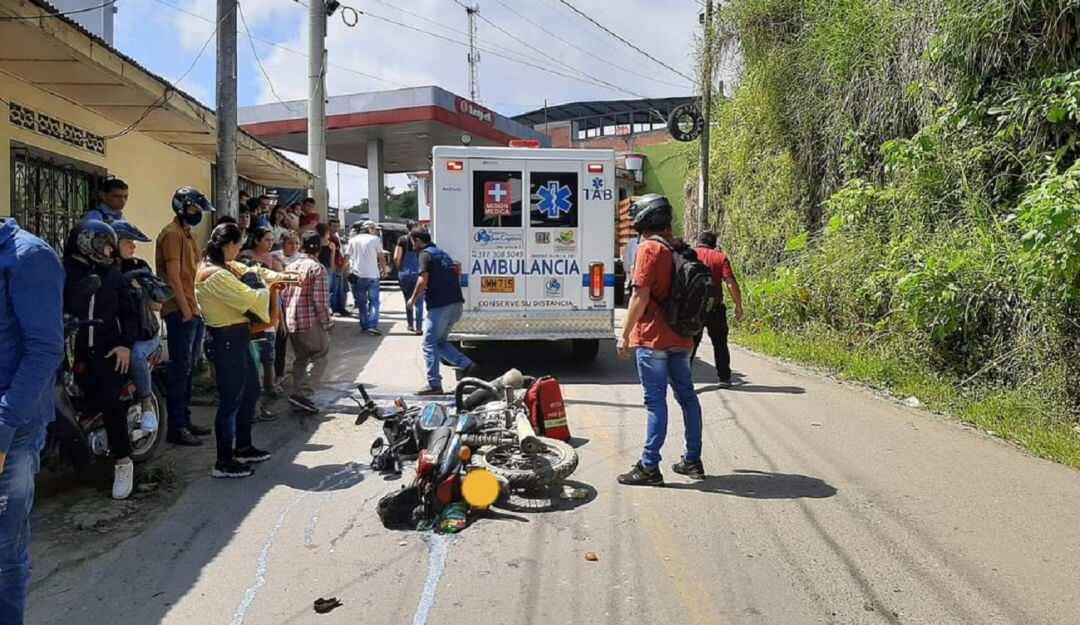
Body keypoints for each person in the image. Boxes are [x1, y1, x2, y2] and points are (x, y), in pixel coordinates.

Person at [0, 217, 64, 625]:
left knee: (3, 555)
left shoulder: (28, 256)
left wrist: (3, 426)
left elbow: (45, 350)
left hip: (12, 431)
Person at [616, 194, 704, 486]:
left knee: (656, 403)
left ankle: (649, 466)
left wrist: (625, 334)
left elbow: (639, 296)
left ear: (643, 219)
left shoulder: (649, 249)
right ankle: (692, 461)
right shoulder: (681, 246)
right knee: (688, 397)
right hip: (683, 336)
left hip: (653, 339)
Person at [195, 223, 291, 478]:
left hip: (236, 338)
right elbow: (252, 298)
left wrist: (274, 277)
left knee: (251, 391)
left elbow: (251, 271)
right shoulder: (216, 274)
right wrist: (264, 287)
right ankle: (224, 461)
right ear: (229, 245)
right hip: (225, 339)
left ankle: (244, 446)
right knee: (230, 401)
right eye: (238, 245)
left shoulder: (223, 267)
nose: (239, 251)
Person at [63, 221, 141, 499]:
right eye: (105, 245)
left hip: (106, 352)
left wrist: (124, 345)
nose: (110, 251)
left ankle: (123, 461)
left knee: (110, 402)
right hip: (67, 351)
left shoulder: (112, 276)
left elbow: (129, 314)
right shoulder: (65, 273)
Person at [156, 187, 215, 447]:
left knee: (188, 369)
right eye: (194, 209)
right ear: (182, 207)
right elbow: (173, 277)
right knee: (180, 370)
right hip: (180, 311)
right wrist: (186, 310)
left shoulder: (186, 233)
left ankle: (185, 420)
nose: (198, 214)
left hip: (192, 308)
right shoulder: (171, 235)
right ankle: (176, 427)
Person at [407, 228, 479, 395]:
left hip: (441, 307)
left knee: (428, 343)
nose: (413, 246)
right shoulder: (441, 253)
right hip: (455, 305)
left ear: (418, 240)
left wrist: (412, 299)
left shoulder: (425, 254)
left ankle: (434, 385)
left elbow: (423, 279)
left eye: (413, 242)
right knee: (439, 343)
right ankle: (468, 365)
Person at [114, 220, 171, 433]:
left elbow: (158, 304)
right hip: (113, 335)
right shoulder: (103, 270)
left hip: (143, 335)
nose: (133, 246)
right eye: (128, 242)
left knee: (136, 354)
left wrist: (142, 288)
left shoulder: (139, 267)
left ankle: (146, 403)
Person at [282, 232, 333, 413]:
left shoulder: (291, 266)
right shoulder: (317, 269)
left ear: (301, 247)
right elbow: (320, 301)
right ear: (319, 248)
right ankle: (303, 394)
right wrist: (327, 322)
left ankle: (297, 392)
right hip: (311, 322)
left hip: (292, 320)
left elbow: (284, 295)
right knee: (320, 355)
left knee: (301, 358)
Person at [691, 232, 744, 387]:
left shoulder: (688, 255)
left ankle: (684, 379)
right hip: (714, 308)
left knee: (690, 345)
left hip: (692, 310)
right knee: (720, 343)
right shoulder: (720, 257)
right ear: (714, 244)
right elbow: (730, 282)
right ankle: (724, 378)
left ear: (698, 242)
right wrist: (738, 306)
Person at [345, 220, 386, 335]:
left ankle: (364, 325)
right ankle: (373, 324)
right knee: (374, 301)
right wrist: (384, 269)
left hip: (358, 275)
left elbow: (347, 256)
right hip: (373, 275)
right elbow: (381, 256)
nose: (375, 231)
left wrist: (344, 271)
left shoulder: (353, 240)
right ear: (368, 228)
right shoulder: (375, 240)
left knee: (361, 302)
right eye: (374, 229)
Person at [394, 220, 425, 334]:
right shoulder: (422, 240)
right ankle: (419, 327)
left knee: (408, 299)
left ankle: (410, 324)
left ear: (407, 229)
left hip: (405, 273)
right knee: (419, 301)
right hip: (418, 272)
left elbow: (396, 257)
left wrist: (400, 269)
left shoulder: (402, 240)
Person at [326, 217, 349, 316]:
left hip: (339, 265)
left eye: (337, 226)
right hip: (332, 266)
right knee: (333, 289)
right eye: (334, 226)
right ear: (329, 226)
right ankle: (334, 308)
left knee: (341, 288)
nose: (336, 228)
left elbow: (340, 252)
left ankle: (341, 307)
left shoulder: (336, 237)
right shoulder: (328, 238)